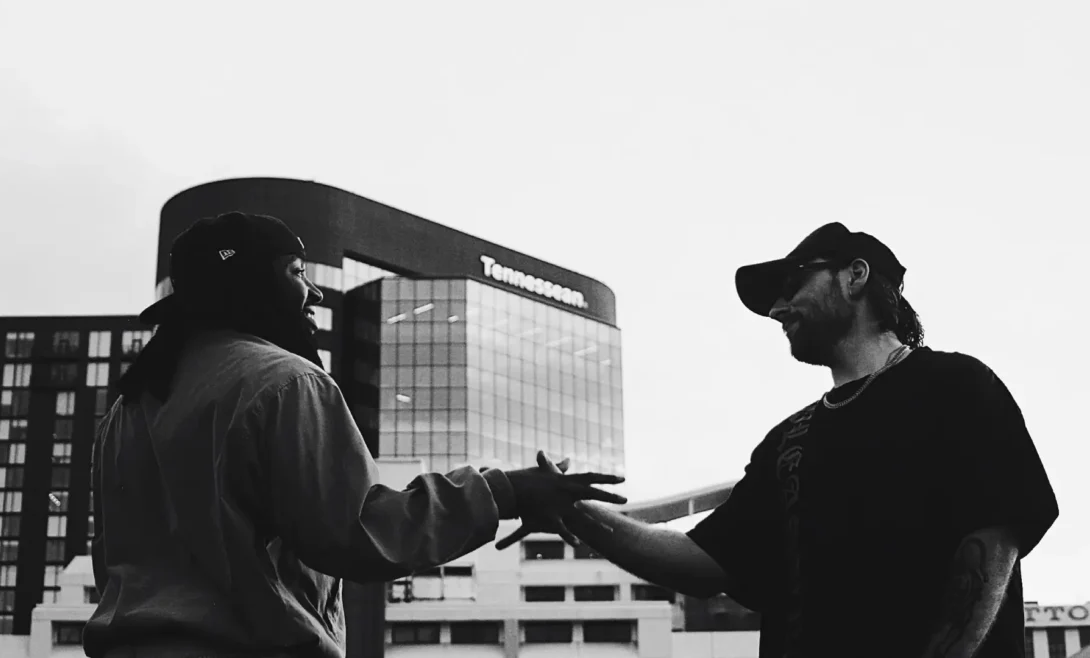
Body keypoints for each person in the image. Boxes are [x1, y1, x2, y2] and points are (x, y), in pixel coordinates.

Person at [84, 211, 626, 658]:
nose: (314, 292)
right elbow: (359, 533)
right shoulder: (285, 383)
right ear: (252, 282)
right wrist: (506, 491)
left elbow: (111, 560)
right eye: (296, 271)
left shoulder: (128, 411)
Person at [550, 223, 1059, 658]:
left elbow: (991, 543)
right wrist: (572, 512)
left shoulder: (957, 386)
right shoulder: (788, 442)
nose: (777, 308)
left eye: (793, 284)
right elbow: (705, 563)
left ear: (855, 276)